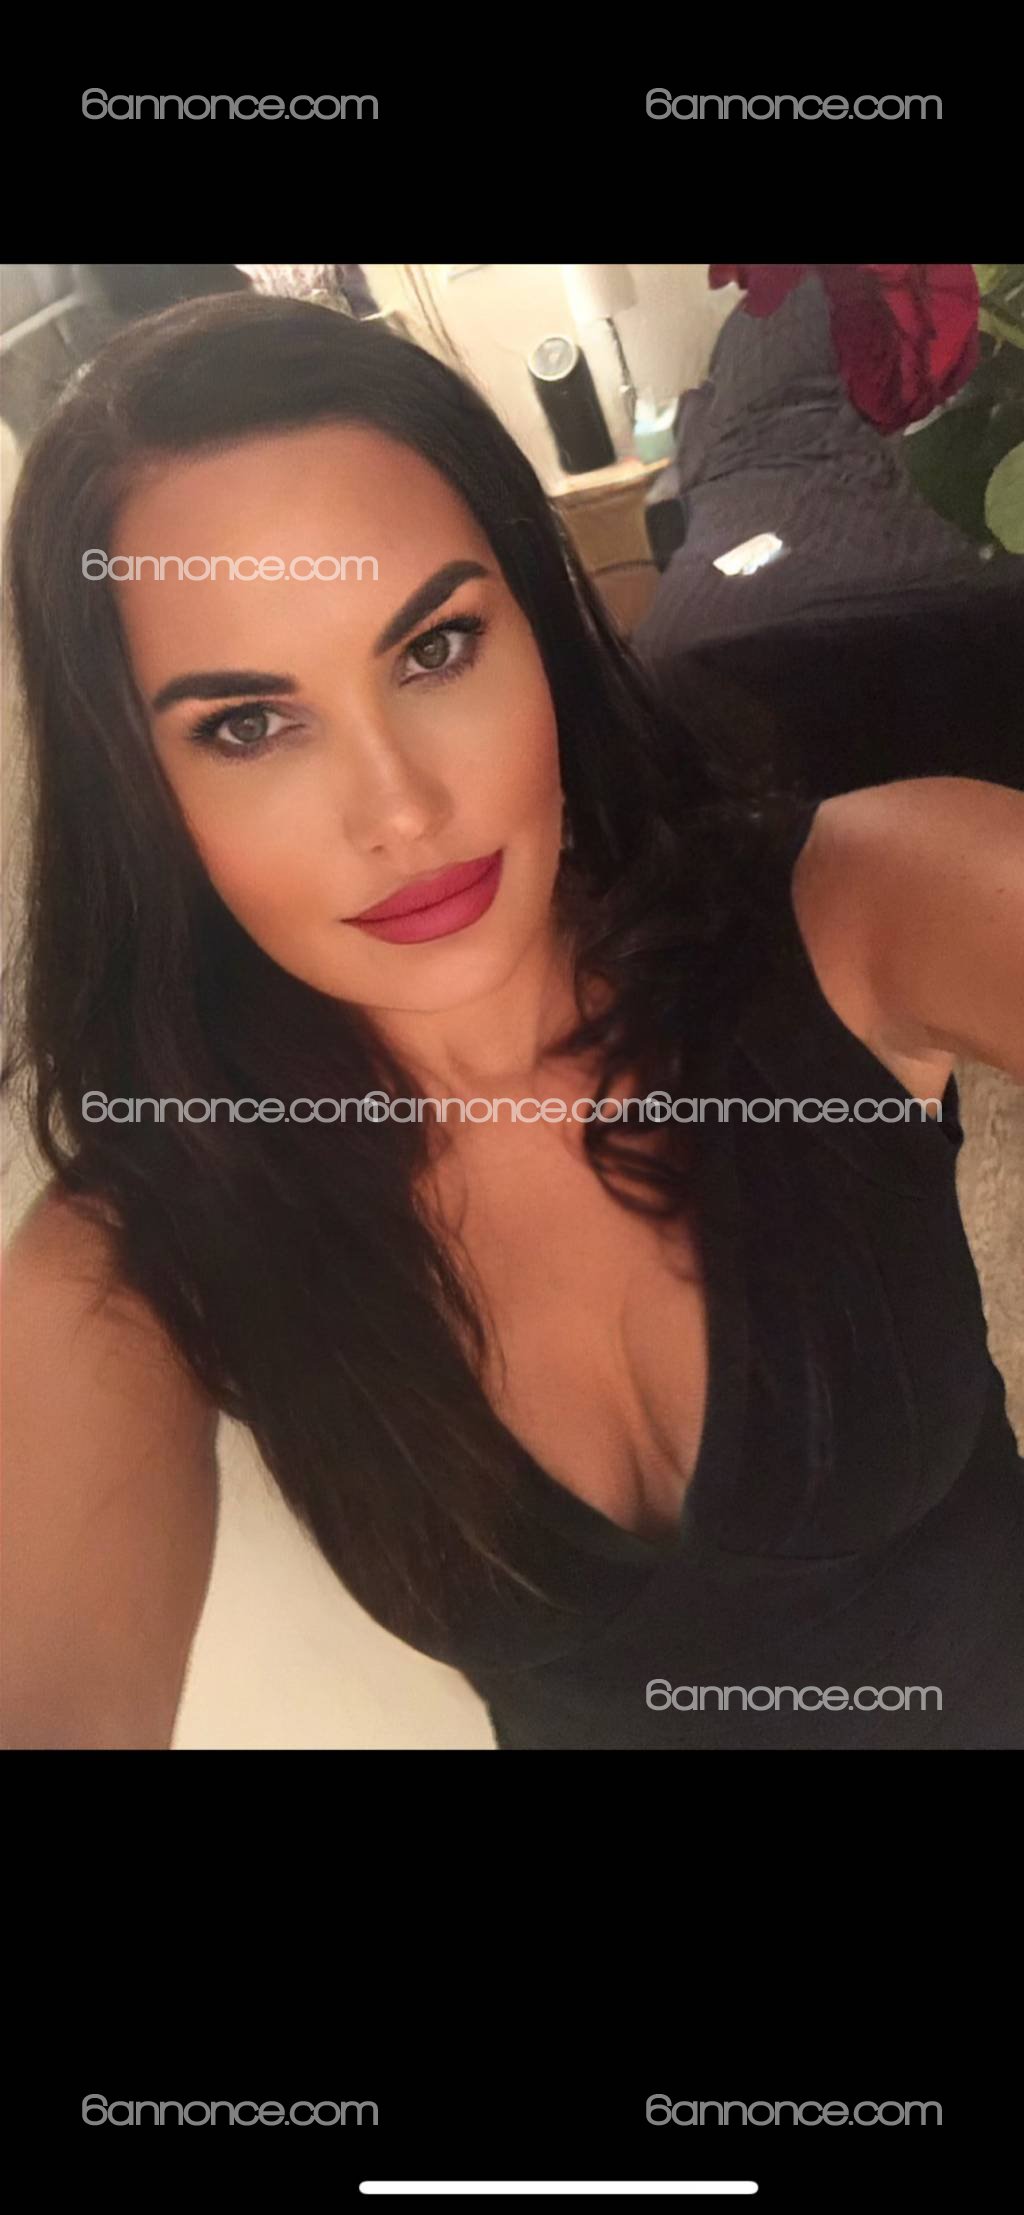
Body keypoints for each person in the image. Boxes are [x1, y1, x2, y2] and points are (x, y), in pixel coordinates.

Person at [2, 291, 1022, 1750]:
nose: (402, 811)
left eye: (434, 649)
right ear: (139, 795)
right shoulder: (142, 1243)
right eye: (247, 724)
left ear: (537, 624)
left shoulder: (861, 906)